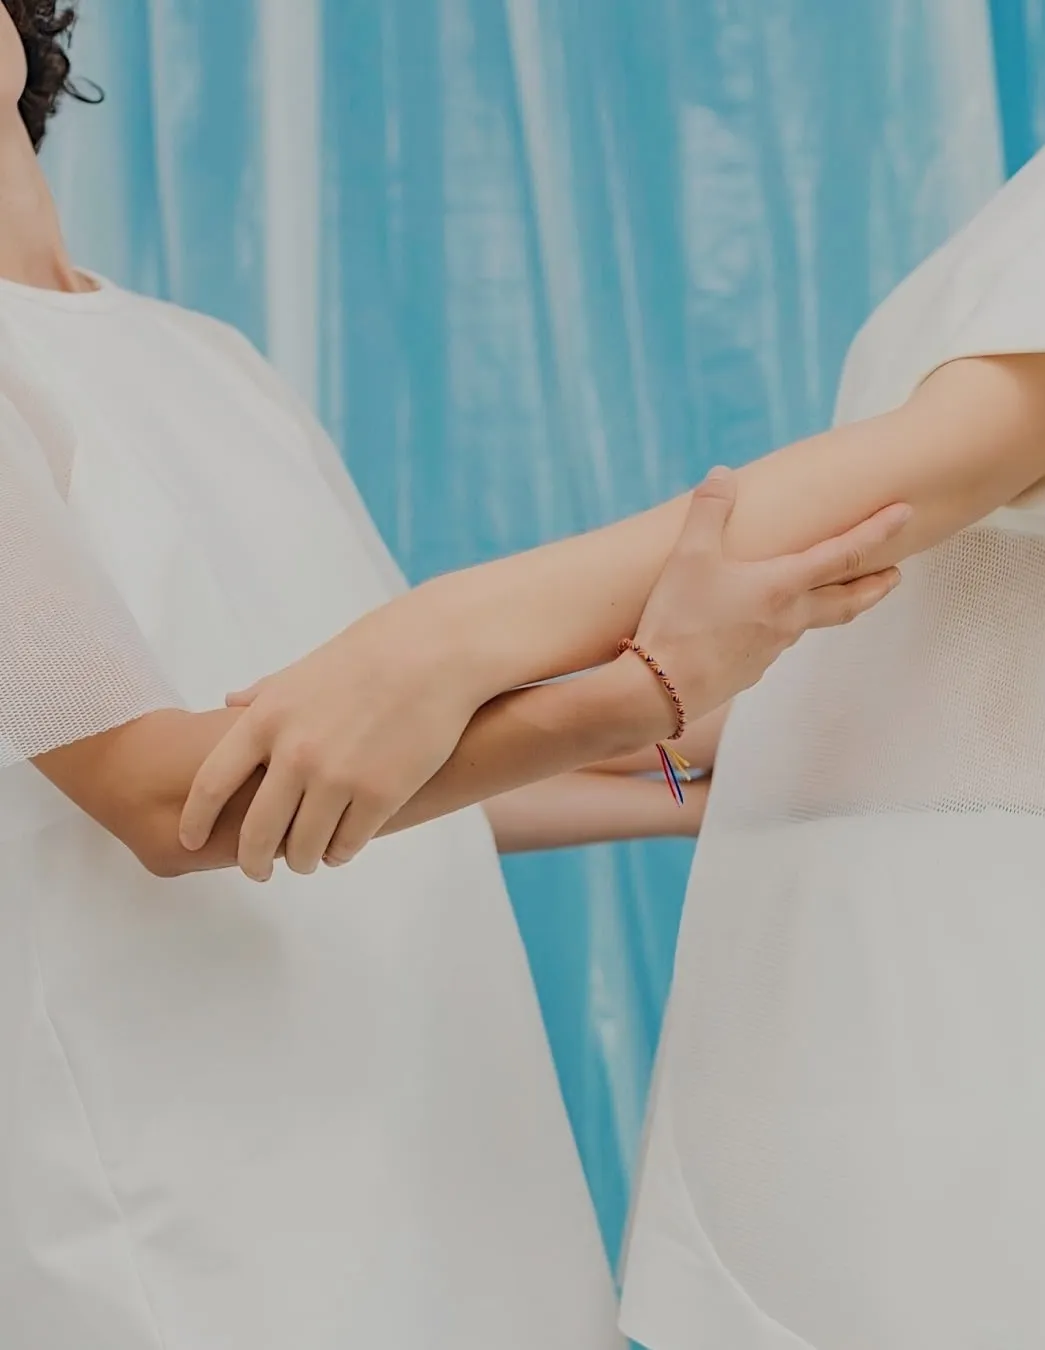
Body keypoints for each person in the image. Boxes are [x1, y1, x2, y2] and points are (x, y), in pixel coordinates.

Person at [0, 7, 906, 1349]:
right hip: (188, 1214)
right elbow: (169, 796)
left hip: (429, 1137)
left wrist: (691, 770)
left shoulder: (198, 352)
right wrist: (643, 686)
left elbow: (381, 773)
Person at [180, 82, 1045, 1350]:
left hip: (972, 1020)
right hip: (888, 1009)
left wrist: (447, 636)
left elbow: (932, 473)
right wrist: (661, 730)